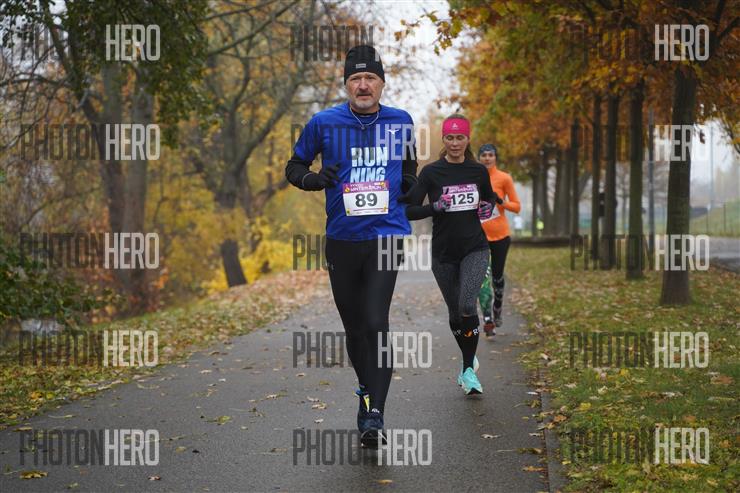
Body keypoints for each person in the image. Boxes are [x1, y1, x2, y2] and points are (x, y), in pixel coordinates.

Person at [285, 45, 418, 448]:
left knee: (376, 322)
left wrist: (410, 183)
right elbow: (294, 166)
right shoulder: (323, 122)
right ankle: (366, 392)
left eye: (370, 78)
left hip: (386, 235)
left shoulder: (400, 121)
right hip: (343, 240)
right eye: (355, 79)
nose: (363, 85)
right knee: (356, 328)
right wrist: (314, 180)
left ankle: (375, 414)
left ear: (382, 83)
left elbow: (409, 165)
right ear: (346, 85)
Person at [401, 114, 498, 395]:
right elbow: (410, 210)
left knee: (468, 305)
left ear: (468, 139)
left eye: (460, 137)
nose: (455, 143)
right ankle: (468, 358)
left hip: (475, 248)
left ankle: (468, 370)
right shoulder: (431, 172)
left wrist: (487, 206)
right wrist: (435, 207)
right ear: (443, 139)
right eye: (450, 137)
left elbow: (489, 196)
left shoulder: (478, 171)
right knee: (456, 313)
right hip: (443, 253)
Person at [476, 144, 521, 336]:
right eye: (484, 155)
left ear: (495, 157)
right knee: (482, 278)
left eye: (490, 155)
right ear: (479, 158)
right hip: (478, 237)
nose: (487, 158)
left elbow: (517, 207)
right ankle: (487, 319)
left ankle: (497, 307)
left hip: (500, 236)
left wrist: (500, 201)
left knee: (497, 277)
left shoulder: (504, 178)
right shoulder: (473, 178)